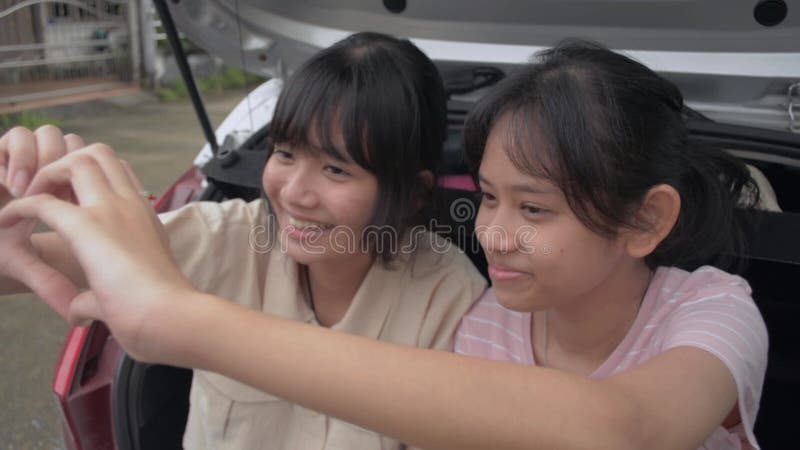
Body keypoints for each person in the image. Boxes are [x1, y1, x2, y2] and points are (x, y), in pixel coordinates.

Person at [0, 39, 767, 450]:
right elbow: (36, 259)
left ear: (644, 221)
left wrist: (177, 319)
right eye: (490, 198)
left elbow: (621, 430)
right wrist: (24, 209)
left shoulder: (710, 308)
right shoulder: (490, 322)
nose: (494, 234)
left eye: (533, 207)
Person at [0, 32, 486, 450]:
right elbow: (33, 262)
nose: (294, 194)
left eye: (336, 169)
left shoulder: (448, 298)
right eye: (286, 154)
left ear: (413, 192)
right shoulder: (229, 236)